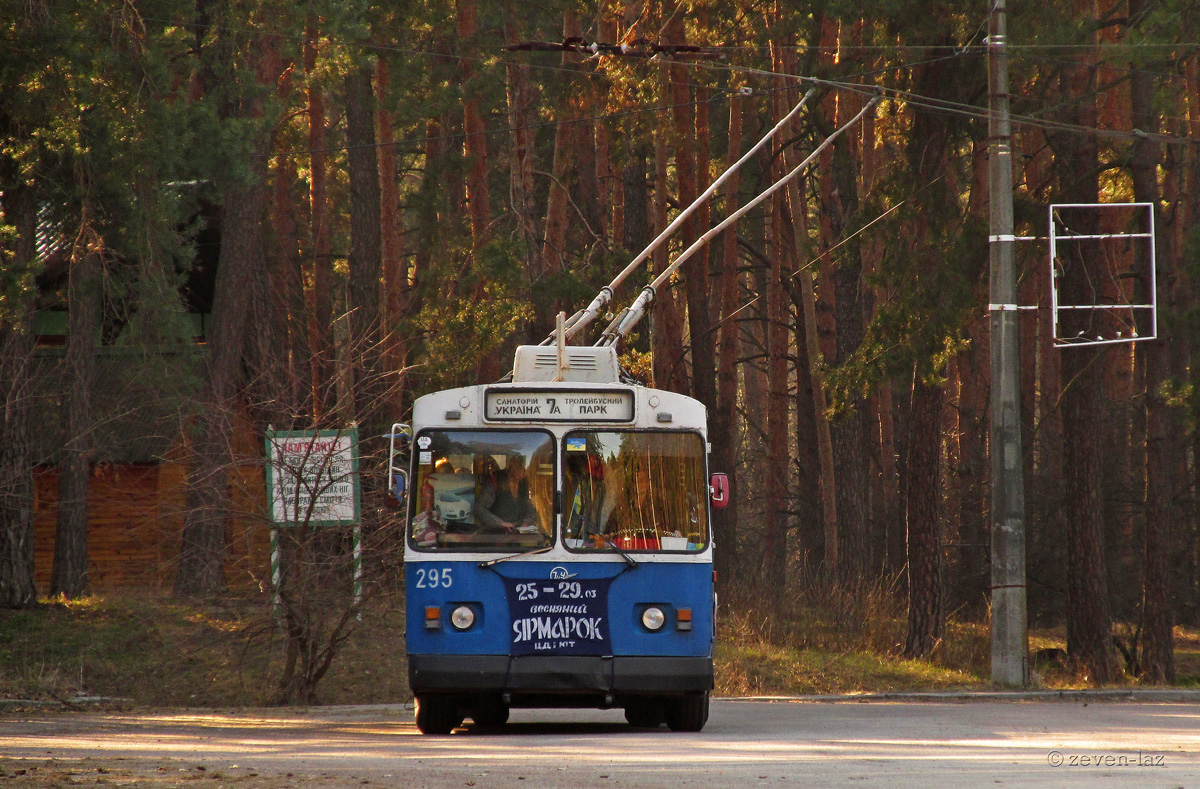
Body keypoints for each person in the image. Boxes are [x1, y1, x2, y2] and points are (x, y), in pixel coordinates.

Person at [474, 454, 538, 533]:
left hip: (518, 534)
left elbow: (530, 507)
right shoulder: (496, 481)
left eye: (523, 468)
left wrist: (526, 522)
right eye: (517, 466)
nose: (521, 471)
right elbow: (479, 508)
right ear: (510, 467)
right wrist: (500, 523)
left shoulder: (524, 484)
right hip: (493, 535)